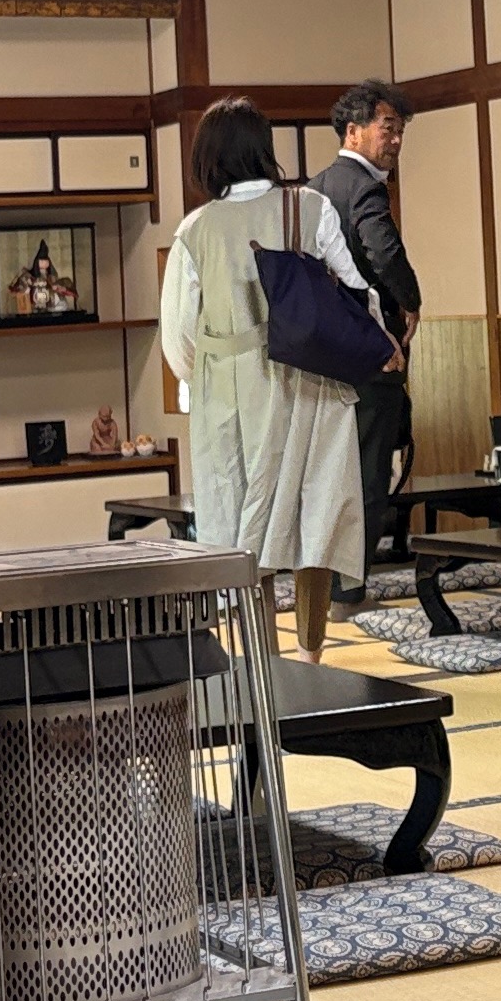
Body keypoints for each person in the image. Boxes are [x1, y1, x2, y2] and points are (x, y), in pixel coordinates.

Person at [162, 97, 368, 656]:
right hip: (312, 387)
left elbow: (178, 336)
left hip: (234, 400)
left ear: (207, 158)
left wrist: (212, 374)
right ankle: (312, 655)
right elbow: (356, 292)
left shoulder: (195, 231)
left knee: (245, 528)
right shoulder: (310, 207)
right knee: (312, 520)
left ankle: (264, 661)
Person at [311, 80, 420, 574]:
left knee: (330, 475)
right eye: (387, 128)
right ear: (353, 131)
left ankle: (325, 581)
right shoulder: (365, 188)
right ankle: (350, 586)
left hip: (322, 355)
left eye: (400, 131)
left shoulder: (314, 188)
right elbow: (383, 251)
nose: (395, 140)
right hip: (373, 353)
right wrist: (410, 301)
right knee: (370, 473)